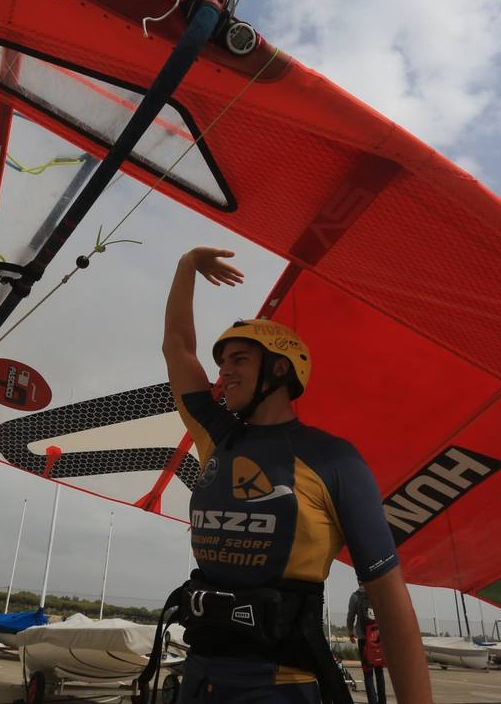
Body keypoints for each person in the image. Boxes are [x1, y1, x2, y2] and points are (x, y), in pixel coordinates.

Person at [150, 246, 433, 704]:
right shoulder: (215, 436)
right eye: (223, 362)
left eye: (239, 360)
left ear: (279, 369)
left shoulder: (333, 459)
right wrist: (186, 266)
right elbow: (177, 348)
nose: (224, 373)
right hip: (200, 679)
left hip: (279, 687)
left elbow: (390, 600)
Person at [347, 586, 386, 704]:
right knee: (379, 671)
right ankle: (382, 701)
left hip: (364, 638)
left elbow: (351, 616)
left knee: (368, 672)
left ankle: (373, 701)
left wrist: (350, 632)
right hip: (377, 638)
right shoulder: (378, 592)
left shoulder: (355, 596)